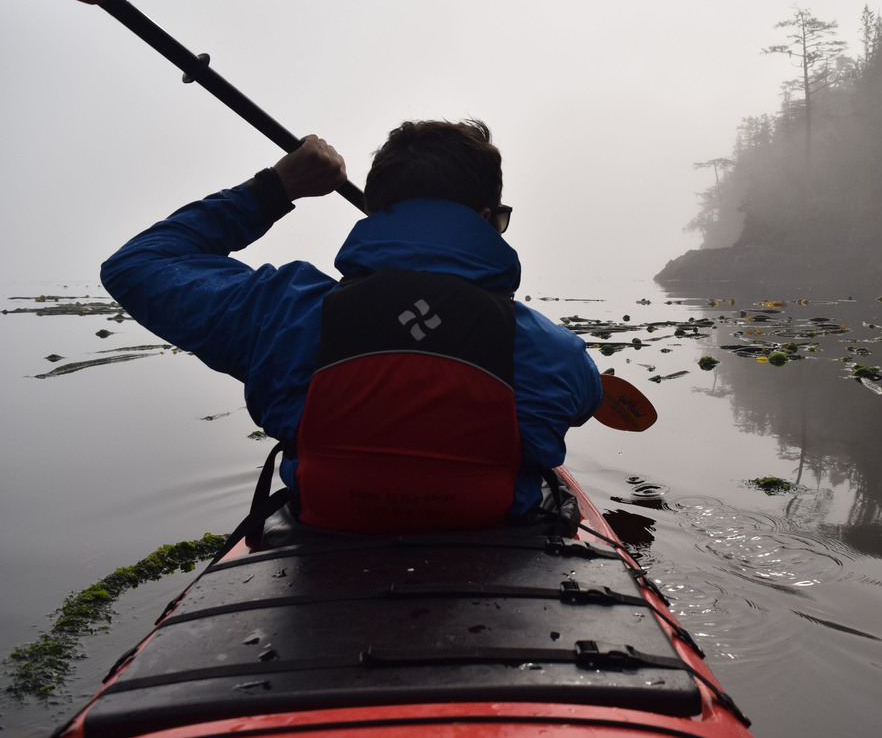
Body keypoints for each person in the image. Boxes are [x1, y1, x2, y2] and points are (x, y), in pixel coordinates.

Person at [101, 120, 602, 534]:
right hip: (496, 533)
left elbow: (137, 265)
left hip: (327, 530)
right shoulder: (555, 352)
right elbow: (583, 397)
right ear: (487, 219)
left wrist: (276, 187)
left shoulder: (283, 311)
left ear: (373, 212)